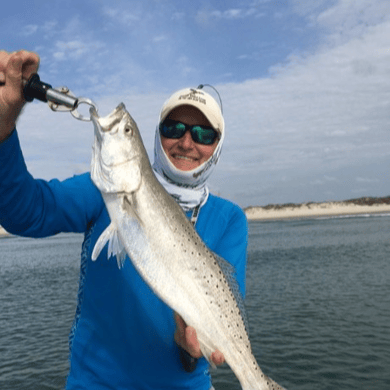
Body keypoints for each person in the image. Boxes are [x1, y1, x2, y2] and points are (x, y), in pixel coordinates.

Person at [0, 50, 248, 390]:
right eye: (174, 128)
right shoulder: (101, 189)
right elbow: (24, 212)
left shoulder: (230, 219)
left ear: (217, 146)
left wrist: (191, 352)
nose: (187, 142)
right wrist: (3, 126)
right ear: (157, 135)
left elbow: (221, 321)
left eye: (204, 134)